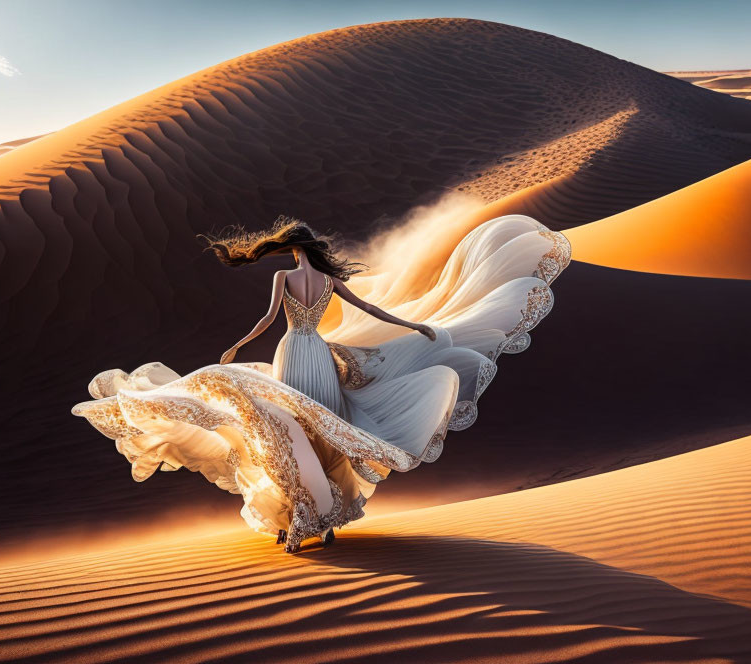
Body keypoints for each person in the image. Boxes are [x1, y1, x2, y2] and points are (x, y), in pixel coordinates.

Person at [72, 214, 570, 553]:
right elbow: (371, 310)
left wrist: (237, 349)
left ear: (289, 250)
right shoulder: (329, 281)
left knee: (289, 431)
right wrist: (415, 327)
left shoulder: (284, 280)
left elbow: (269, 321)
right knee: (325, 432)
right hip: (319, 354)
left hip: (293, 350)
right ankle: (321, 518)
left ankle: (301, 516)